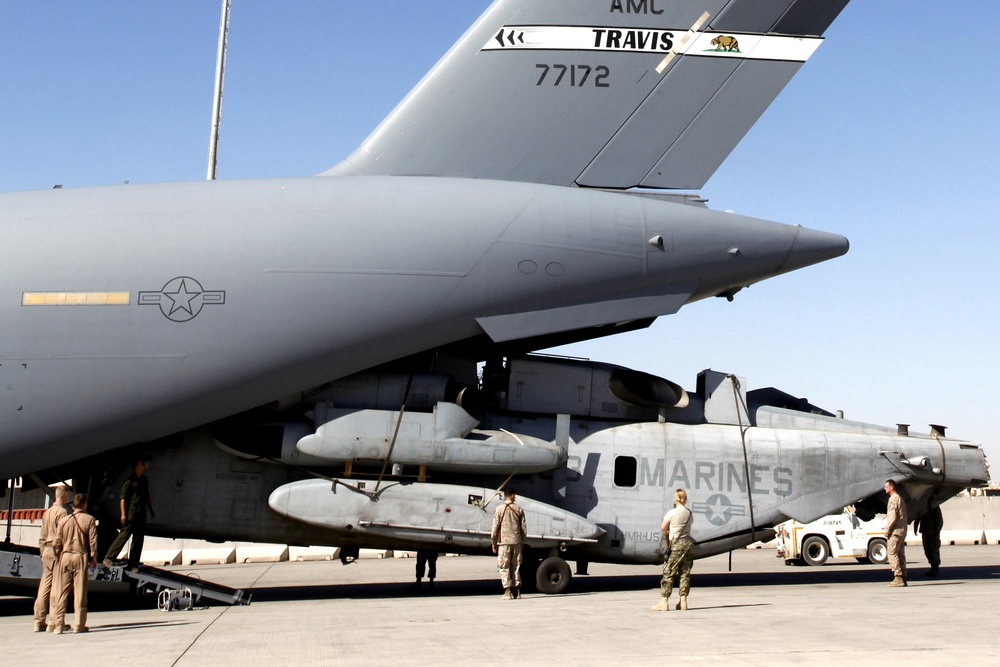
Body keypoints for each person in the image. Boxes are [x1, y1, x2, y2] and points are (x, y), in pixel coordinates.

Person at [50, 493, 98, 634]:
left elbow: (56, 542)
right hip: (80, 556)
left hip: (65, 556)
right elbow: (93, 541)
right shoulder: (89, 520)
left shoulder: (64, 521)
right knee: (80, 592)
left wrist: (58, 554)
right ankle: (79, 625)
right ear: (84, 504)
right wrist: (93, 557)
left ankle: (58, 625)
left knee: (61, 592)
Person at [103, 459, 155, 570]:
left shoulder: (144, 480)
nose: (143, 465)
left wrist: (150, 509)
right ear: (136, 467)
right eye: (141, 464)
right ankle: (108, 558)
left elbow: (146, 495)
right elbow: (122, 498)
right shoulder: (129, 481)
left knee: (138, 539)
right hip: (131, 513)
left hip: (141, 512)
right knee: (124, 535)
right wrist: (123, 514)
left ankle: (133, 564)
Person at [33, 486, 71, 632]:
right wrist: (60, 552)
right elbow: (61, 535)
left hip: (46, 550)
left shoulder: (47, 512)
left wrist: (43, 551)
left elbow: (42, 535)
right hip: (56, 550)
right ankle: (53, 622)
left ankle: (39, 620)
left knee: (44, 586)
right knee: (57, 586)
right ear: (65, 495)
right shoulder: (62, 512)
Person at [653, 488, 695, 611]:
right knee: (685, 573)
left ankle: (664, 601)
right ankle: (683, 602)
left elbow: (663, 527)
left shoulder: (672, 512)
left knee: (669, 572)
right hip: (688, 544)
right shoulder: (689, 513)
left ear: (676, 499)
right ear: (685, 499)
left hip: (676, 545)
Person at [491, 487, 527, 600]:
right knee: (516, 566)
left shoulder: (499, 509)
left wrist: (493, 542)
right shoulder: (519, 509)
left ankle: (507, 591)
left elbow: (495, 527)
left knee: (504, 566)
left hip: (504, 542)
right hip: (516, 541)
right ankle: (517, 591)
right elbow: (524, 529)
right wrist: (523, 541)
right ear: (511, 496)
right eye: (514, 495)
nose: (515, 497)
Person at [884, 479, 908, 587]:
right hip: (902, 530)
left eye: (886, 486)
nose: (884, 488)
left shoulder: (893, 499)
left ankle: (898, 577)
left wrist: (887, 530)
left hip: (895, 531)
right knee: (900, 554)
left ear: (891, 487)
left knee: (891, 553)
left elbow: (892, 517)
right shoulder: (900, 498)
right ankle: (903, 577)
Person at [913, 499, 943, 577]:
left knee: (934, 550)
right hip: (925, 531)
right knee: (927, 550)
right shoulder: (922, 506)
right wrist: (915, 527)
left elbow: (939, 519)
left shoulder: (934, 506)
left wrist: (937, 531)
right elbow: (917, 517)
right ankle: (932, 567)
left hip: (933, 532)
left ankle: (935, 568)